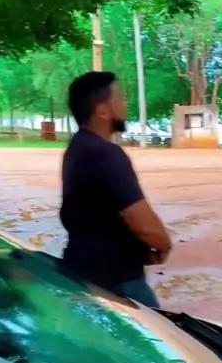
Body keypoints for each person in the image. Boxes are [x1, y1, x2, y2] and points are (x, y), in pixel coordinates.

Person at [59, 71, 172, 307]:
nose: (125, 103)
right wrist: (164, 243)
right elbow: (145, 226)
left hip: (81, 273)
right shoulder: (107, 154)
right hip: (117, 281)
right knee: (158, 329)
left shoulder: (77, 148)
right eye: (119, 99)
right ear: (102, 110)